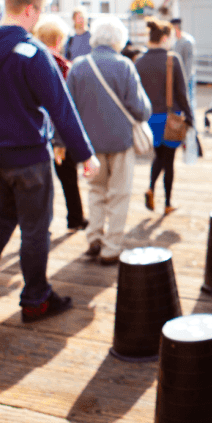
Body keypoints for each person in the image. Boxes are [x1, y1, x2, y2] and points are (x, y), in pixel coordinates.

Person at [0, 0, 100, 323]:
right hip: (28, 160)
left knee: (2, 216)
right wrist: (85, 154)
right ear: (30, 10)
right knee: (35, 230)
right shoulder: (33, 53)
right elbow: (60, 108)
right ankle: (36, 299)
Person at [67, 15, 152, 265]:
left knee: (95, 190)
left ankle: (93, 236)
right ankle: (111, 247)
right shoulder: (124, 65)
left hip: (89, 145)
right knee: (119, 194)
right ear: (119, 39)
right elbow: (139, 109)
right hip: (119, 142)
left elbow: (68, 109)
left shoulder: (78, 66)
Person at [34, 14, 88, 231]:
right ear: (59, 40)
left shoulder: (27, 61)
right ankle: (75, 218)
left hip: (34, 132)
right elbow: (68, 105)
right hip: (59, 133)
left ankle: (36, 224)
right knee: (68, 179)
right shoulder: (65, 67)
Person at [135, 18, 194, 215]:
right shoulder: (172, 59)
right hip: (171, 119)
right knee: (168, 161)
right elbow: (182, 93)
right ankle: (167, 203)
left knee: (159, 156)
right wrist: (191, 118)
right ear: (165, 38)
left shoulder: (139, 62)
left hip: (150, 119)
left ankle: (151, 188)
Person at [171, 17, 196, 112]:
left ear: (176, 27)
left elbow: (189, 62)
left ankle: (191, 124)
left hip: (187, 77)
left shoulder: (187, 41)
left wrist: (185, 79)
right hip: (178, 77)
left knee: (189, 100)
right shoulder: (175, 41)